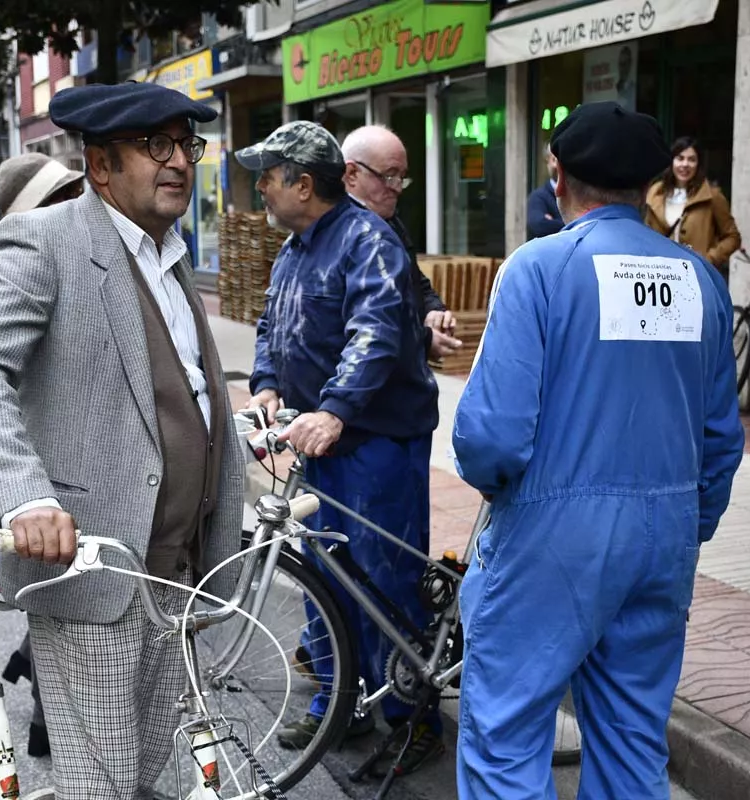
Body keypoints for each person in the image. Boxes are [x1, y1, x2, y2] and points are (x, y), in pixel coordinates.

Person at [0, 81, 245, 800]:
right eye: (155, 146)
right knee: (103, 788)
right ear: (101, 165)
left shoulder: (170, 256)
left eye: (185, 145)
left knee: (153, 781)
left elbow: (174, 386)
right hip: (92, 571)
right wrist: (24, 499)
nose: (178, 162)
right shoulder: (47, 242)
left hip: (177, 571)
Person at [452, 102, 744, 798]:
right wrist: (686, 522)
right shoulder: (698, 279)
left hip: (551, 536)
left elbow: (490, 436)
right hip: (665, 536)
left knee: (505, 737)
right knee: (633, 743)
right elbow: (721, 439)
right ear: (650, 184)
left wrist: (505, 494)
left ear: (558, 176)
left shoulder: (539, 268)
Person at [237, 120, 445, 774]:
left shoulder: (366, 240)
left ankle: (411, 720)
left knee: (385, 582)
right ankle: (339, 702)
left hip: (378, 441)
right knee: (327, 576)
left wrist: (334, 410)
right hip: (323, 439)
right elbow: (272, 324)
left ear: (303, 183)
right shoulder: (296, 246)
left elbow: (376, 335)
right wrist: (268, 385)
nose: (260, 190)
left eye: (266, 178)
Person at [0, 151, 86, 758]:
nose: (77, 198)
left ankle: (46, 701)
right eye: (64, 192)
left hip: (75, 470)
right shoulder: (27, 261)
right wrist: (24, 494)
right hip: (45, 478)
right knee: (61, 610)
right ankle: (52, 718)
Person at [341, 124, 462, 360]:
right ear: (351, 174)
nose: (397, 188)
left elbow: (415, 280)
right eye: (388, 176)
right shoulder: (339, 234)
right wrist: (423, 340)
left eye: (401, 177)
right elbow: (370, 330)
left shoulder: (390, 221)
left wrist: (433, 310)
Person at [644, 136, 742, 280]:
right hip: (661, 277)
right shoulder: (656, 193)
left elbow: (733, 237)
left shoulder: (711, 195)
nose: (685, 164)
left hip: (697, 276)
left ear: (698, 164)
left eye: (691, 159)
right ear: (671, 161)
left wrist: (708, 259)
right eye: (680, 158)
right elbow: (647, 234)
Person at [526, 143, 564, 239]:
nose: (556, 164)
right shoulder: (538, 197)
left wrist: (554, 221)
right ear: (547, 162)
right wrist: (575, 224)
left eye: (559, 158)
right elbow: (539, 225)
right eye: (553, 159)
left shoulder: (579, 193)